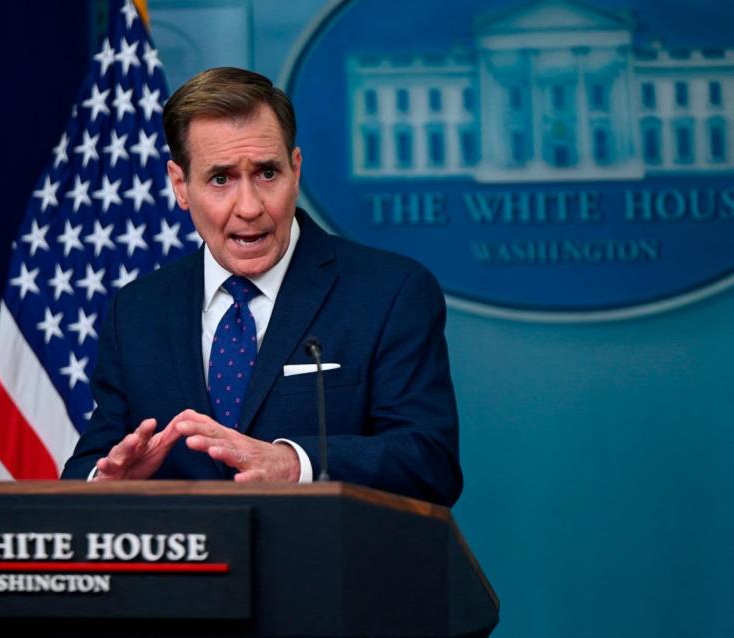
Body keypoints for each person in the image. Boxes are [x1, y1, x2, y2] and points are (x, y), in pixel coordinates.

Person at [61, 67, 462, 505]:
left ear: (295, 169)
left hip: (326, 569)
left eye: (267, 174)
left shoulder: (389, 293)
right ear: (180, 185)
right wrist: (109, 483)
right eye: (221, 179)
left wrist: (295, 464)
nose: (249, 207)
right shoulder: (137, 311)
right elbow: (88, 465)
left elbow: (430, 463)